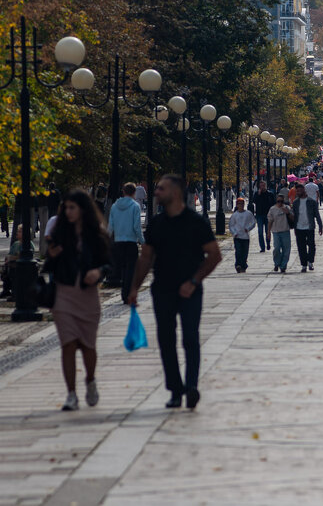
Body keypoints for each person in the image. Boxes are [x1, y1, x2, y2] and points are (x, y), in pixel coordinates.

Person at [128, 175, 222, 410]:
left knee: (190, 338)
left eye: (161, 188)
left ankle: (191, 387)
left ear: (176, 193)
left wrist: (194, 280)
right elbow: (146, 258)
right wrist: (133, 288)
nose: (156, 192)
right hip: (162, 289)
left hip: (191, 290)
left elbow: (214, 255)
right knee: (166, 341)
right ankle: (175, 390)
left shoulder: (195, 221)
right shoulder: (157, 223)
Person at [43, 189, 111, 410]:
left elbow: (110, 263)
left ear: (83, 209)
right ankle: (71, 394)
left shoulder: (96, 233)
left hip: (88, 296)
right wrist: (51, 256)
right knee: (68, 344)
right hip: (63, 294)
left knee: (88, 345)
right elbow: (49, 266)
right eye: (66, 207)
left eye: (73, 207)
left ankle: (90, 380)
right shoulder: (59, 233)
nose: (68, 211)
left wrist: (98, 272)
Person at [107, 182, 143, 301]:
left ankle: (124, 292)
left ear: (123, 191)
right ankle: (126, 293)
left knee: (121, 267)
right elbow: (137, 227)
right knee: (131, 269)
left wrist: (106, 240)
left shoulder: (114, 206)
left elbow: (110, 226)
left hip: (118, 242)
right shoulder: (135, 206)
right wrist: (143, 241)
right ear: (134, 192)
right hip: (131, 242)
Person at [292, 184, 323, 272]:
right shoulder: (295, 202)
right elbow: (294, 216)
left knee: (311, 245)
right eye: (297, 191)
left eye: (299, 191)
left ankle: (310, 261)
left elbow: (317, 215)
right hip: (299, 227)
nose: (298, 192)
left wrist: (320, 226)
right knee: (301, 247)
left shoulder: (311, 202)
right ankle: (304, 264)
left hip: (309, 227)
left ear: (304, 190)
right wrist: (294, 227)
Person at [267, 194, 295, 273]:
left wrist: (288, 213)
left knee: (286, 250)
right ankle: (277, 263)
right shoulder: (272, 209)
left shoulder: (287, 208)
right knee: (276, 248)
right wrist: (268, 232)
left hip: (285, 231)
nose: (280, 203)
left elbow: (293, 219)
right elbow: (270, 221)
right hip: (276, 231)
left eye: (281, 201)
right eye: (278, 201)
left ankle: (283, 266)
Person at [228, 197, 256, 273]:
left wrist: (248, 228)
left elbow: (253, 222)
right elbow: (231, 225)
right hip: (237, 236)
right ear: (237, 205)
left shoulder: (248, 213)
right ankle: (238, 265)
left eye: (242, 204)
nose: (241, 205)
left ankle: (243, 265)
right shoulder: (234, 215)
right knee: (238, 251)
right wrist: (234, 233)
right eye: (239, 204)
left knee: (245, 252)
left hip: (245, 237)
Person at [253, 181, 276, 253]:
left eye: (263, 186)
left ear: (265, 186)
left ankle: (268, 243)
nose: (262, 187)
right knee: (260, 232)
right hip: (259, 215)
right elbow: (254, 201)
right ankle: (262, 247)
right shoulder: (257, 194)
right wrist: (259, 195)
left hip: (268, 215)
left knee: (267, 231)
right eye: (261, 186)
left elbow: (273, 204)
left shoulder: (270, 194)